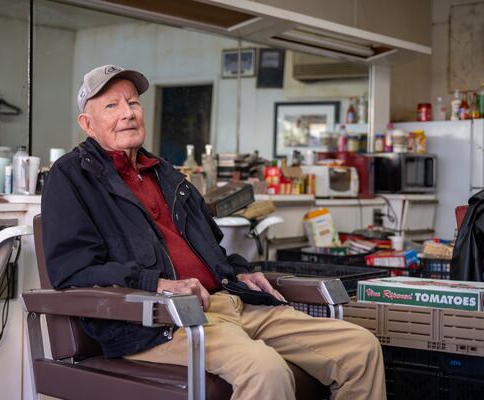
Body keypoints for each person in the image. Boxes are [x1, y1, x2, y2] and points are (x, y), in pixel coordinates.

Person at [41, 64, 386, 400]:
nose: (128, 113)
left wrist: (240, 271)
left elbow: (210, 250)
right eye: (112, 106)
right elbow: (73, 270)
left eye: (132, 102)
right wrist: (157, 284)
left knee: (360, 349)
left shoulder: (166, 174)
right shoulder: (71, 177)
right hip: (162, 320)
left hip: (229, 301)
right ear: (87, 124)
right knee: (265, 370)